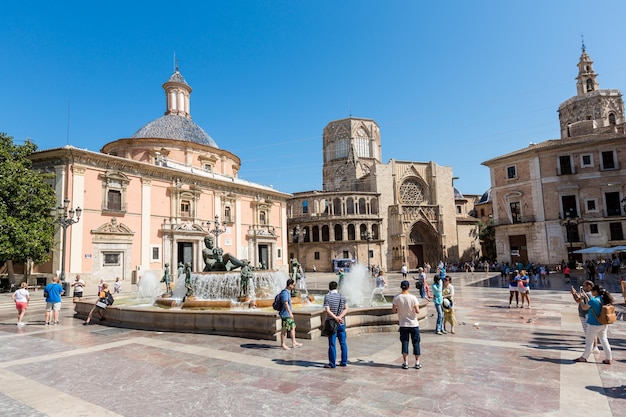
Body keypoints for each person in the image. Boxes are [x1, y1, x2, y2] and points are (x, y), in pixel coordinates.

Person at [573, 284, 614, 364]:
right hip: (603, 323)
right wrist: (585, 296)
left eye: (592, 291)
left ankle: (584, 357)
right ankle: (609, 358)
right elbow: (591, 303)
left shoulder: (593, 300)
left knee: (589, 341)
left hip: (593, 324)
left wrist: (581, 300)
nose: (591, 292)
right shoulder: (603, 299)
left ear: (595, 291)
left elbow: (585, 307)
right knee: (604, 340)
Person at [392, 280, 421, 369]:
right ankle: (417, 363)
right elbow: (418, 311)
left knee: (405, 342)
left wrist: (400, 310)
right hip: (413, 324)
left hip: (403, 324)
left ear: (401, 287)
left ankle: (405, 362)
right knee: (416, 343)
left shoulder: (396, 297)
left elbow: (393, 310)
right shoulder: (413, 298)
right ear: (408, 287)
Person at [322, 281, 348, 368]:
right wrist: (340, 317)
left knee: (332, 344)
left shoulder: (327, 297)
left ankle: (332, 363)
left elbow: (327, 310)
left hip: (332, 324)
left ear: (329, 288)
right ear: (337, 287)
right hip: (341, 323)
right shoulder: (342, 296)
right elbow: (346, 308)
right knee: (343, 343)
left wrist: (335, 318)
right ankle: (344, 362)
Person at [279, 278, 302, 350]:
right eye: (293, 285)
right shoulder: (284, 292)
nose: (294, 286)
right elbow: (285, 303)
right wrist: (290, 313)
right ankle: (283, 344)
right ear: (290, 285)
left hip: (288, 314)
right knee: (284, 329)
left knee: (292, 327)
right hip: (285, 315)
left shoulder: (288, 292)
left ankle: (294, 342)